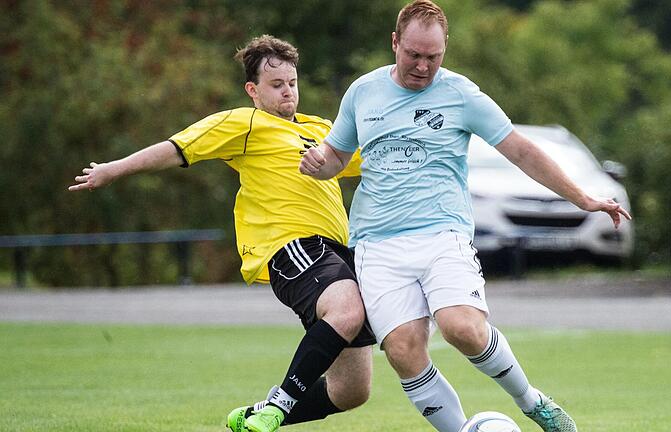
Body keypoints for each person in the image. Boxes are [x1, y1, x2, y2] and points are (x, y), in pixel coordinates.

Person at [299, 1, 631, 431]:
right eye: (413, 55)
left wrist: (583, 198)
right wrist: (319, 162)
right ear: (395, 43)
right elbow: (337, 156)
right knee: (402, 349)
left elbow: (522, 151)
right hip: (376, 243)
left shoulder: (461, 94)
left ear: (445, 49)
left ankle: (533, 403)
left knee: (463, 328)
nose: (422, 66)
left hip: (442, 232)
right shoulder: (363, 92)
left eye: (433, 57)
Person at [68, 35, 375, 432]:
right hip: (292, 246)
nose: (287, 92)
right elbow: (177, 148)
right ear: (253, 90)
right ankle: (280, 404)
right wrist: (113, 169)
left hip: (337, 253)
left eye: (292, 83)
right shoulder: (244, 122)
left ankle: (252, 417)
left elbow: (376, 160)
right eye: (276, 85)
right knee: (347, 310)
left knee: (352, 390)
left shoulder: (320, 128)